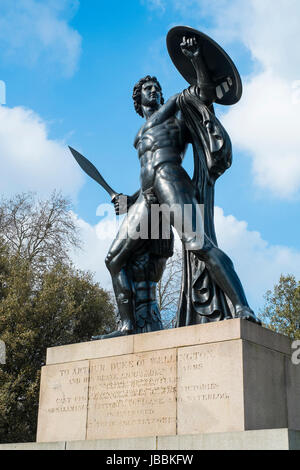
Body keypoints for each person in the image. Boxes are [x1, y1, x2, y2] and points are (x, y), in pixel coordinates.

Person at [101, 35, 260, 339]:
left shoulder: (175, 106)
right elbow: (144, 170)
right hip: (147, 197)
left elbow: (204, 93)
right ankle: (128, 325)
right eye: (148, 89)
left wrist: (196, 59)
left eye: (157, 87)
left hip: (171, 178)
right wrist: (127, 199)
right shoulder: (139, 132)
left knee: (198, 243)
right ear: (139, 99)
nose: (155, 90)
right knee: (114, 258)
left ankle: (242, 307)